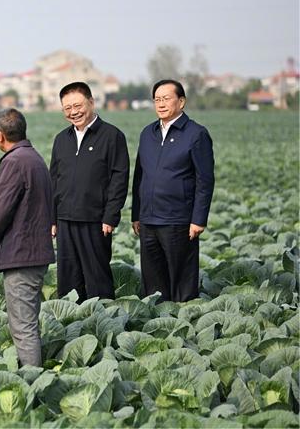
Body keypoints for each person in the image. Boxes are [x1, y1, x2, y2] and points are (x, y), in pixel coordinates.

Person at [132, 79, 215, 302]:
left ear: (181, 102)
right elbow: (140, 175)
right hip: (149, 219)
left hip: (178, 219)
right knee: (153, 280)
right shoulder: (147, 133)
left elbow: (205, 180)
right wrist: (136, 214)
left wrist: (198, 219)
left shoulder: (196, 134)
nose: (161, 104)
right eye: (157, 99)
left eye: (166, 98)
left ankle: (185, 320)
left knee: (181, 280)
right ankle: (157, 320)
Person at [0, 108, 55, 367]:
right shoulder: (35, 158)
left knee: (23, 327)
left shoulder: (13, 162)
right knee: (29, 322)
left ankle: (32, 383)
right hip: (37, 253)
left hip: (20, 255)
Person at [49, 82, 129, 301]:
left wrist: (110, 215)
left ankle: (102, 322)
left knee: (97, 278)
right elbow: (53, 180)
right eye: (67, 108)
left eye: (77, 105)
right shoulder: (61, 139)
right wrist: (52, 218)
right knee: (67, 278)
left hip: (95, 220)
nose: (73, 112)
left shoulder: (112, 136)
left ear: (91, 102)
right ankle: (71, 325)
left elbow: (119, 179)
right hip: (64, 219)